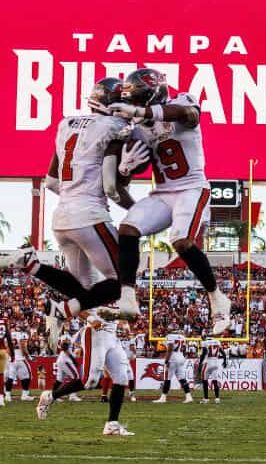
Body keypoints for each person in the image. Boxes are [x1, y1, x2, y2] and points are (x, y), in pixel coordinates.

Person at [0, 77, 137, 316]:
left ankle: (33, 266)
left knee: (87, 290)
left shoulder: (66, 124)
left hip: (61, 218)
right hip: (90, 215)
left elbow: (51, 182)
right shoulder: (114, 127)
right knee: (124, 281)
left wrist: (76, 195)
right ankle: (66, 311)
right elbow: (112, 188)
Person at [110, 69, 232, 336]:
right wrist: (125, 169)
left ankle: (216, 298)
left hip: (192, 187)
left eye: (139, 100)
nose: (134, 106)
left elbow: (189, 116)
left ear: (153, 96)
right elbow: (117, 187)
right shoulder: (138, 129)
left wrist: (144, 113)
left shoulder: (183, 101)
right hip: (163, 192)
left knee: (181, 240)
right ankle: (128, 295)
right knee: (128, 228)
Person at [36, 313, 134, 437]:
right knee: (90, 381)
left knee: (121, 377)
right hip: (95, 333)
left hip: (112, 335)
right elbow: (76, 306)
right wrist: (92, 319)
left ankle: (112, 425)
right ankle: (50, 396)